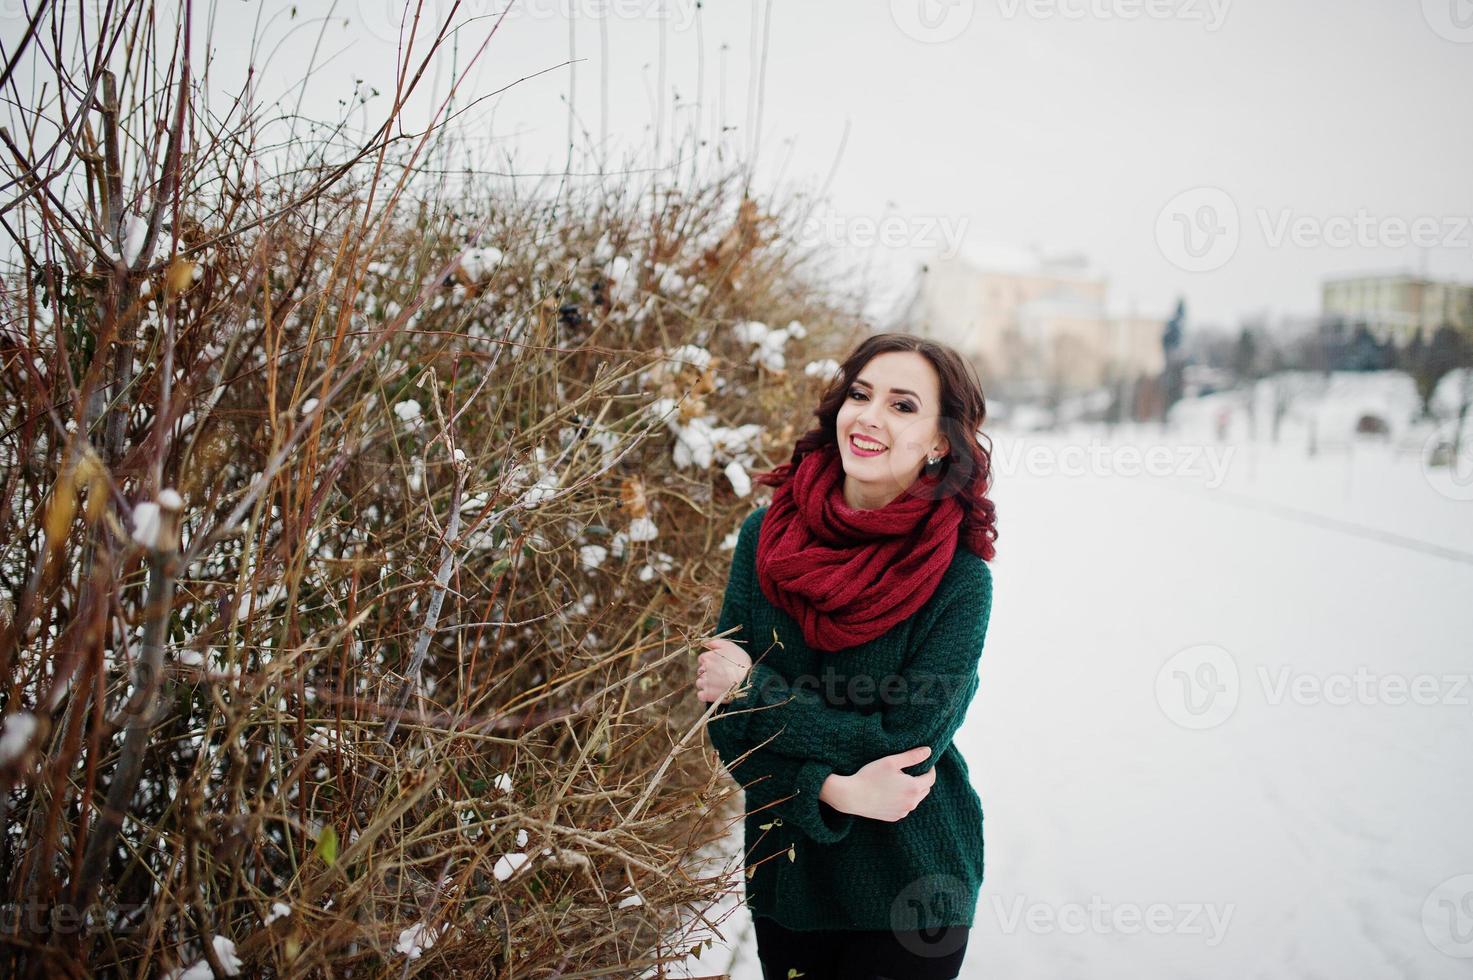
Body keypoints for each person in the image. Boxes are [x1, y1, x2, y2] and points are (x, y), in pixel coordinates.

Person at [694, 332, 999, 980]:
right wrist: (833, 789)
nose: (869, 416)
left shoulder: (958, 578)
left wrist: (758, 693)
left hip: (909, 890)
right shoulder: (765, 536)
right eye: (860, 394)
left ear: (940, 442)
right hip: (788, 880)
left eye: (902, 405)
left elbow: (906, 743)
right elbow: (724, 721)